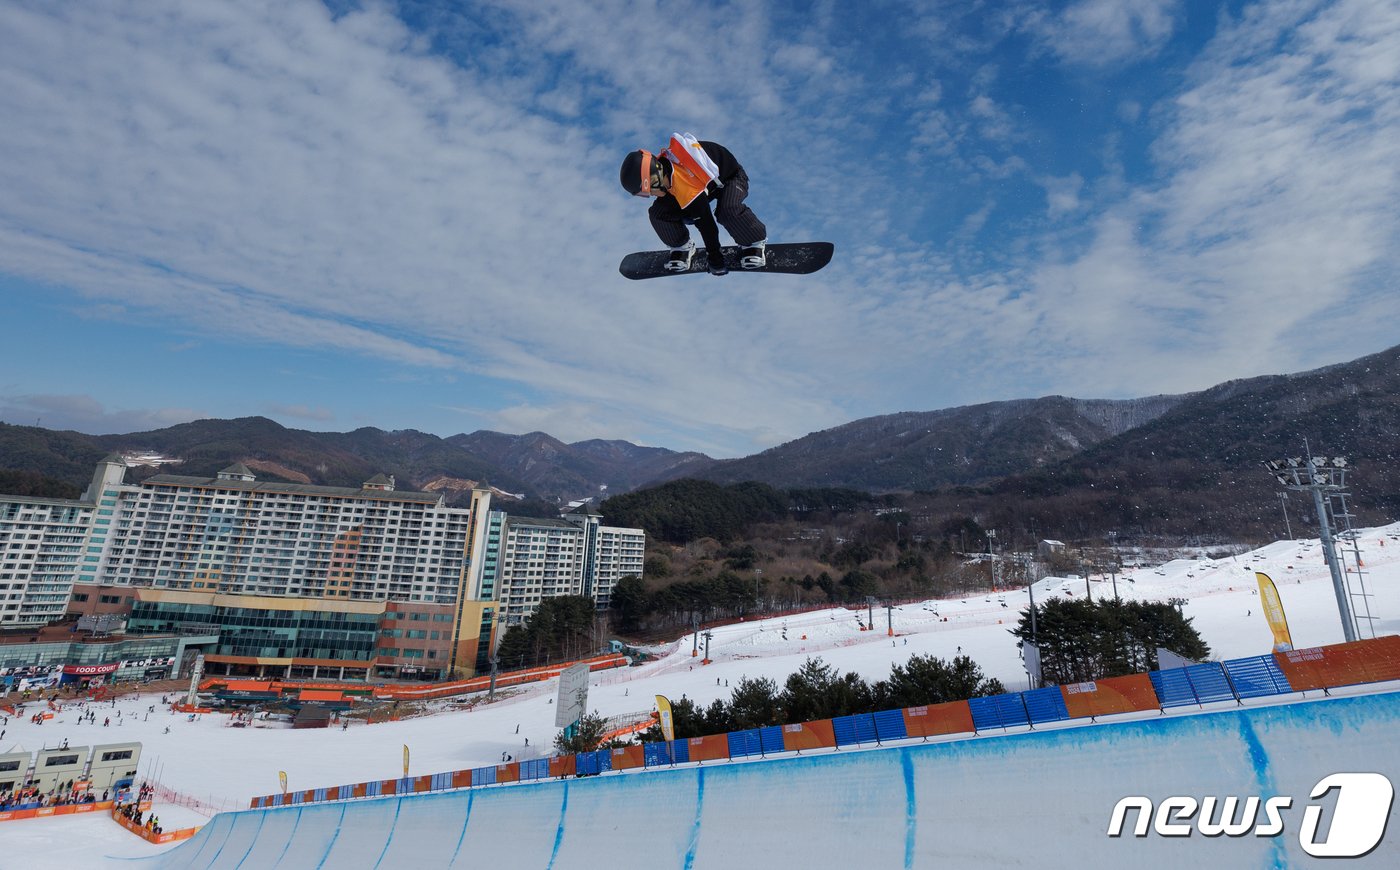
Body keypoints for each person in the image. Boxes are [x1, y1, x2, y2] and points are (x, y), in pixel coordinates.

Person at [620, 133, 767, 275]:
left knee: (728, 210)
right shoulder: (667, 176)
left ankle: (753, 242)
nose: (650, 195)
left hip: (730, 178)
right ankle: (682, 247)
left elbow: (706, 224)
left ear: (655, 177)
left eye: (648, 191)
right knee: (658, 214)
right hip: (704, 186)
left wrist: (715, 257)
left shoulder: (684, 183)